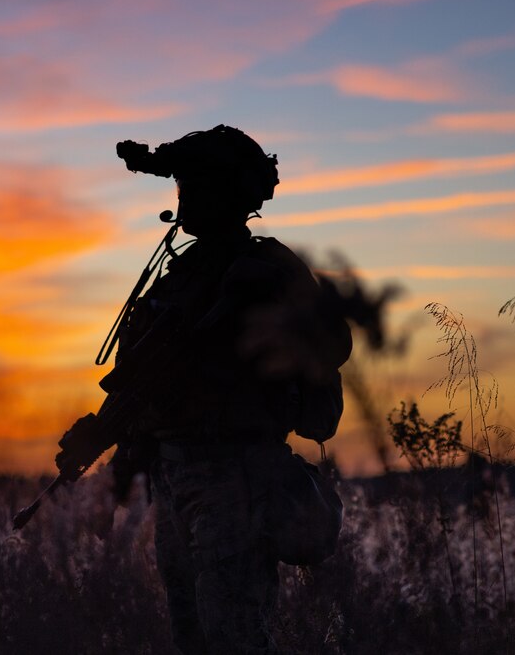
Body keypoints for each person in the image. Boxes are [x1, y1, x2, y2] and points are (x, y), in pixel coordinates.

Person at [106, 126, 352, 653]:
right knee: (190, 631)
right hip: (175, 473)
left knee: (235, 632)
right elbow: (137, 374)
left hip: (234, 476)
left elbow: (328, 345)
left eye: (197, 185)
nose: (185, 197)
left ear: (231, 194)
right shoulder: (180, 276)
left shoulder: (265, 269)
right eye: (181, 185)